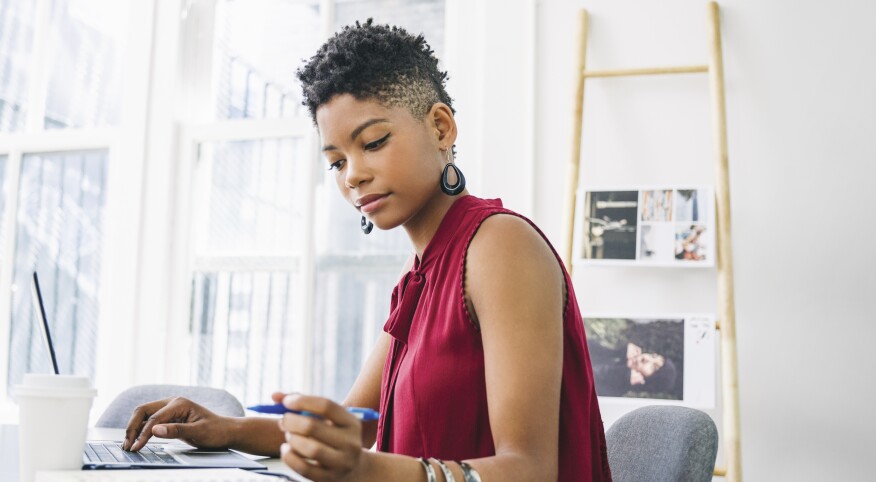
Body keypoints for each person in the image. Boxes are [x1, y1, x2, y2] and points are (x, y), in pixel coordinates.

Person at [122, 20, 611, 482]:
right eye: (335, 162)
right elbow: (355, 425)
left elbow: (528, 469)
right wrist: (225, 428)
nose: (352, 174)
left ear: (441, 128)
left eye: (373, 142)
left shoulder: (501, 247)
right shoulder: (420, 270)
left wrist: (365, 470)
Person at [587, 341, 677, 398]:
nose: (646, 358)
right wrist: (616, 352)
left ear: (651, 381)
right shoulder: (615, 361)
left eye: (654, 367)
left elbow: (580, 374)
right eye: (653, 356)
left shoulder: (612, 394)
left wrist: (623, 375)